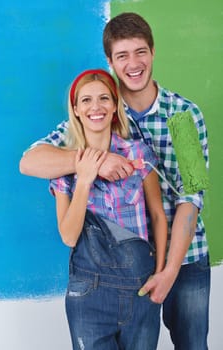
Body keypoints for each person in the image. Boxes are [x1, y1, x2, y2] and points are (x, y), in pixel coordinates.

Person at [20, 12, 211, 350]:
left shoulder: (182, 114)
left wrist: (167, 271)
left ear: (153, 52)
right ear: (110, 61)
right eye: (122, 55)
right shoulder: (99, 109)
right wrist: (94, 161)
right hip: (116, 271)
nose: (133, 63)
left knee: (193, 344)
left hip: (183, 258)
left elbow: (190, 198)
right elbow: (30, 161)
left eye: (140, 52)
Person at [49, 68, 167, 349]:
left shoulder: (139, 153)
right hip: (89, 295)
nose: (96, 107)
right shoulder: (63, 165)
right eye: (86, 100)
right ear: (76, 109)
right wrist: (85, 176)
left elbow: (158, 216)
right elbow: (68, 236)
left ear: (115, 106)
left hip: (142, 288)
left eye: (104, 98)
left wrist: (160, 272)